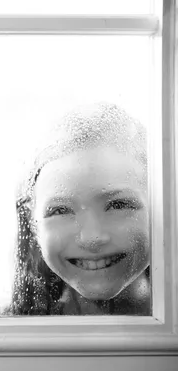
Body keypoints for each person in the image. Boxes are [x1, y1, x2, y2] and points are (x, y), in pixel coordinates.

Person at [9, 102, 151, 316]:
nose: (91, 238)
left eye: (118, 205)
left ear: (163, 208)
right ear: (33, 223)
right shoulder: (12, 327)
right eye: (60, 210)